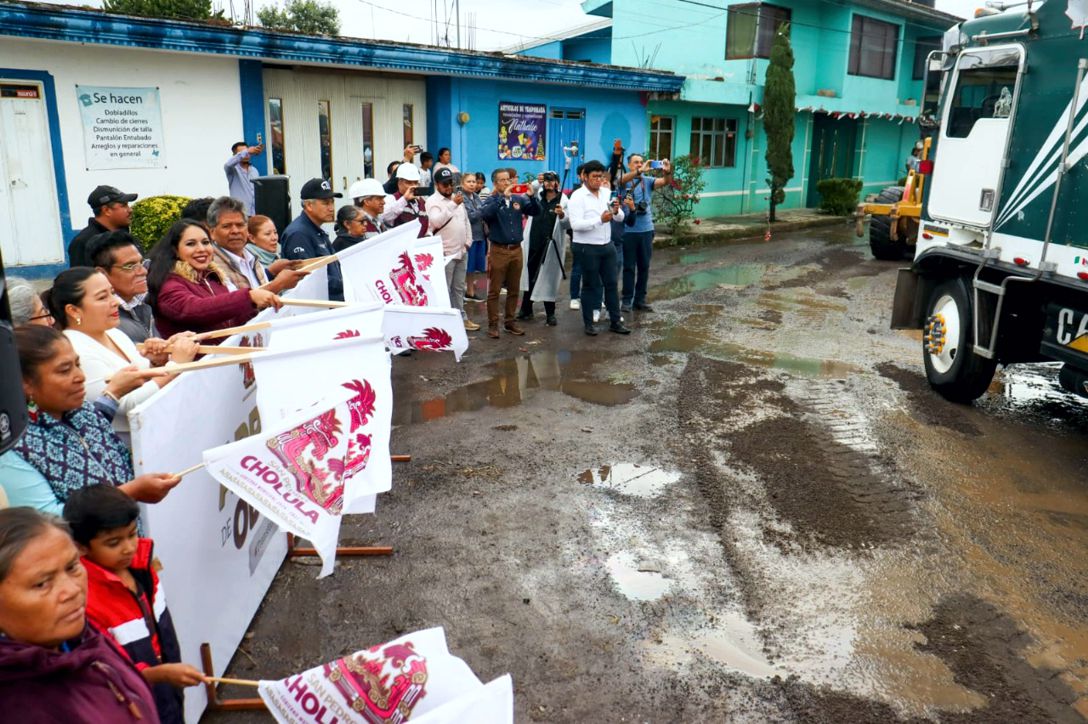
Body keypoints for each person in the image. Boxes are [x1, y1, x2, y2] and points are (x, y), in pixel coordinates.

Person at [0, 508, 163, 723]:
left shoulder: (84, 637)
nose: (72, 590)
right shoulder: (17, 708)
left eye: (72, 567)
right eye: (42, 584)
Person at [0, 326, 181, 515]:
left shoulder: (82, 411)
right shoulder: (13, 447)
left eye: (77, 364)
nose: (80, 376)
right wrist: (131, 492)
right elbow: (48, 519)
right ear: (25, 383)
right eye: (64, 370)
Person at [64, 485, 204, 724]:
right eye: (113, 543)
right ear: (81, 547)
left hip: (167, 687)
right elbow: (102, 670)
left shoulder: (143, 566)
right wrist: (158, 674)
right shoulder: (85, 601)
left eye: (132, 534)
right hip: (131, 703)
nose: (129, 548)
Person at [49, 267, 197, 440]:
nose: (115, 302)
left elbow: (141, 380)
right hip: (125, 443)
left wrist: (158, 362)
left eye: (112, 293)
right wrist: (175, 366)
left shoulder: (113, 333)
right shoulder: (74, 349)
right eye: (102, 297)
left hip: (153, 432)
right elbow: (125, 405)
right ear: (73, 310)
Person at [147, 219, 281, 339]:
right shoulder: (169, 284)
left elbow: (230, 322)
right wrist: (249, 297)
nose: (201, 249)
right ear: (175, 250)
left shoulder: (213, 278)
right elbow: (195, 310)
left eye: (206, 242)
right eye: (191, 244)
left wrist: (254, 307)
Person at [568, 160, 630, 336]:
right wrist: (600, 220)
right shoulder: (577, 197)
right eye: (594, 176)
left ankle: (615, 321)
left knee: (611, 284)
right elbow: (576, 224)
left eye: (601, 176)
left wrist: (616, 211)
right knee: (590, 285)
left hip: (607, 245)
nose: (598, 180)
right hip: (586, 247)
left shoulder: (606, 193)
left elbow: (620, 218)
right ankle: (589, 323)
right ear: (585, 177)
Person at [480, 168, 540, 339]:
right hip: (499, 250)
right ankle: (493, 324)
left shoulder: (518, 199)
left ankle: (510, 321)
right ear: (495, 183)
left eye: (509, 179)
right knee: (495, 290)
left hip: (516, 250)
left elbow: (535, 211)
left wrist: (532, 197)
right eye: (503, 180)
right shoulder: (491, 200)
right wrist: (502, 198)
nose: (507, 183)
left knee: (514, 289)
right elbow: (486, 215)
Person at [207, 197, 304, 294]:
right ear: (212, 233)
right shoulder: (211, 266)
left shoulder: (252, 258)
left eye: (240, 225)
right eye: (226, 226)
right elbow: (234, 303)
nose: (235, 231)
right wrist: (278, 285)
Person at [617, 155, 672, 313]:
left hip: (646, 229)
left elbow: (665, 182)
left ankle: (640, 300)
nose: (639, 164)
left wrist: (667, 172)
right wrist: (639, 171)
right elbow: (620, 181)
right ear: (629, 165)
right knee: (629, 268)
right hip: (629, 231)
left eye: (641, 162)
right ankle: (626, 300)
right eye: (636, 162)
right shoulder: (624, 179)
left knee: (644, 267)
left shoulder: (647, 181)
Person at [427, 168, 478, 332]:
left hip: (462, 251)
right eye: (445, 184)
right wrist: (453, 204)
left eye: (451, 183)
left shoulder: (457, 198)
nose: (449, 187)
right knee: (444, 289)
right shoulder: (432, 201)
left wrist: (468, 242)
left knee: (458, 288)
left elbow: (466, 221)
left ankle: (461, 318)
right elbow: (435, 222)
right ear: (437, 184)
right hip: (445, 254)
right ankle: (445, 323)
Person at [280, 178, 345, 302]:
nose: (331, 208)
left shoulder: (316, 230)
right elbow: (309, 278)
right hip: (319, 306)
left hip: (331, 302)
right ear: (309, 205)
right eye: (326, 203)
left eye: (332, 202)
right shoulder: (298, 234)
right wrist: (345, 284)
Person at [87, 231, 157, 344]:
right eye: (130, 266)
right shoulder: (100, 319)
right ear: (102, 273)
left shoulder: (143, 303)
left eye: (141, 263)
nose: (143, 271)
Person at [517, 171, 567, 326]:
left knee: (548, 279)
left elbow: (568, 223)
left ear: (558, 183)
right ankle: (526, 309)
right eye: (546, 180)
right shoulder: (537, 196)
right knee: (530, 275)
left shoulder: (563, 200)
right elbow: (529, 190)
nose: (549, 183)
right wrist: (538, 180)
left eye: (552, 180)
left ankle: (550, 313)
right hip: (533, 242)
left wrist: (562, 215)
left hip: (551, 246)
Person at [69, 186, 137, 267]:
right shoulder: (83, 242)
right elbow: (81, 274)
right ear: (107, 210)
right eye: (124, 205)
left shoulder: (126, 237)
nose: (130, 210)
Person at [382, 163, 429, 237]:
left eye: (415, 183)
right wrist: (404, 199)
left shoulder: (422, 201)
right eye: (409, 183)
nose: (413, 186)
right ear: (399, 183)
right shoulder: (391, 199)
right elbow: (384, 216)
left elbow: (426, 225)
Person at [462, 173, 487, 301]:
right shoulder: (461, 198)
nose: (472, 184)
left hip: (480, 235)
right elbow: (470, 216)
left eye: (474, 182)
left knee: (475, 267)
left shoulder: (476, 197)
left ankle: (470, 290)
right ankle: (467, 291)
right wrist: (482, 210)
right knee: (468, 265)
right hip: (469, 236)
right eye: (469, 182)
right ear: (462, 184)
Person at [568, 164, 588, 311]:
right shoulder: (574, 194)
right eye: (584, 174)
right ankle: (575, 297)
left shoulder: (600, 192)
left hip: (596, 238)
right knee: (578, 268)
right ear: (579, 176)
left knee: (595, 270)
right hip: (579, 238)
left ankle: (594, 297)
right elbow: (570, 219)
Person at [224, 141, 263, 215]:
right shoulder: (232, 169)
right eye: (242, 152)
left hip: (255, 213)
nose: (246, 154)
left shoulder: (254, 170)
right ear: (235, 155)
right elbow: (228, 164)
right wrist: (247, 151)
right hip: (239, 213)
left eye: (247, 152)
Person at [347, 178, 388, 244]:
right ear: (367, 201)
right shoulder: (357, 225)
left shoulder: (379, 222)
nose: (383, 202)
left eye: (383, 198)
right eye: (379, 198)